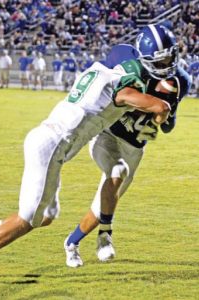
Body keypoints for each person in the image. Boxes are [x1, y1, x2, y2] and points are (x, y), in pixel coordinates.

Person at [0, 36, 171, 286]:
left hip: (47, 141)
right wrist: (163, 105)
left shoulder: (98, 72)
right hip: (52, 147)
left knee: (46, 216)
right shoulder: (120, 86)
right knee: (28, 219)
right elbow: (149, 104)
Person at [63, 25, 192, 267]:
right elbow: (112, 88)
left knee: (104, 202)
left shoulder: (180, 80)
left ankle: (72, 242)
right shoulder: (129, 65)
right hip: (108, 136)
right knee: (115, 173)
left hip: (136, 146)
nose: (167, 65)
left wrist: (164, 113)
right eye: (160, 60)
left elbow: (166, 127)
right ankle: (106, 235)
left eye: (170, 57)